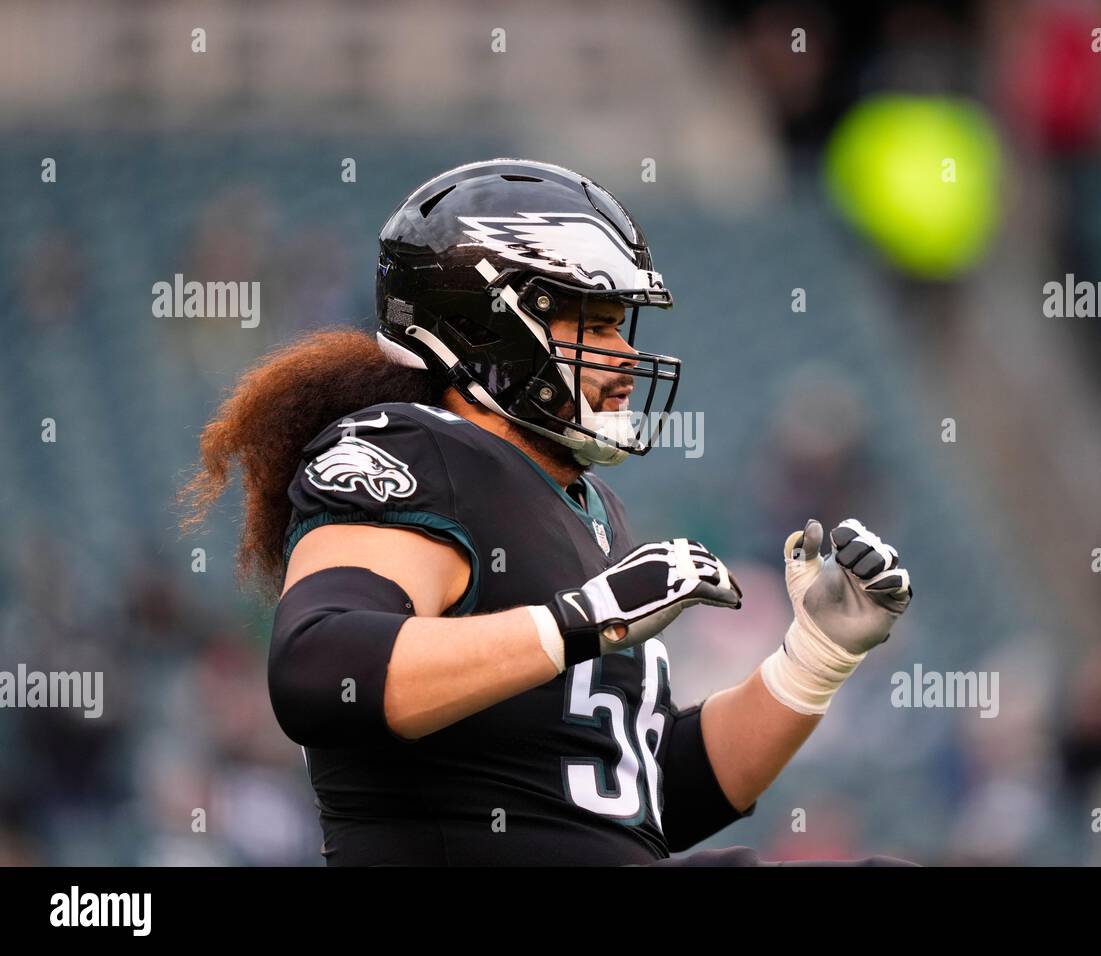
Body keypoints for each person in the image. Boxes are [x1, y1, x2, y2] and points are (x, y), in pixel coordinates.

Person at [182, 158, 914, 865]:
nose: (625, 356)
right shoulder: (413, 449)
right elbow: (320, 670)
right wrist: (579, 620)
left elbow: (645, 799)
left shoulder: (587, 505)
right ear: (489, 332)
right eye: (594, 328)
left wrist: (812, 661)